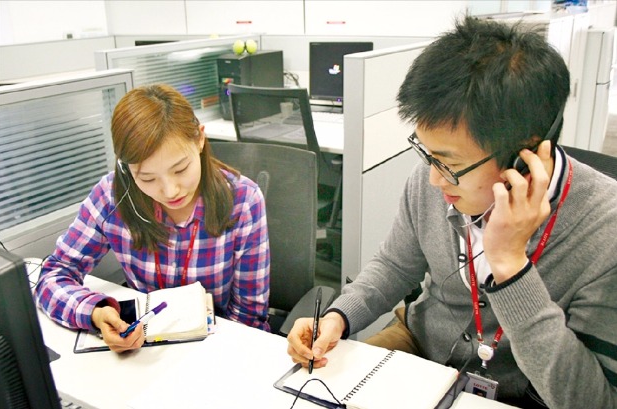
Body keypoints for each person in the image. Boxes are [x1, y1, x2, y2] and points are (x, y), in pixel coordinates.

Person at [286, 16, 617, 409]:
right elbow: (394, 266)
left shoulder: (605, 229)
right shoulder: (436, 180)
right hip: (421, 343)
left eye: (448, 163)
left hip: (524, 388)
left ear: (524, 156)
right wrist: (339, 317)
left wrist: (511, 266)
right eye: (427, 154)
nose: (432, 180)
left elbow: (592, 400)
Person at [34, 84, 271, 352]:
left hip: (218, 348)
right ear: (127, 168)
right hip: (146, 349)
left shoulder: (242, 200)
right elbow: (54, 274)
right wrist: (95, 312)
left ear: (200, 140)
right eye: (147, 178)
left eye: (180, 169)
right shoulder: (112, 198)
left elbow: (249, 316)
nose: (170, 191)